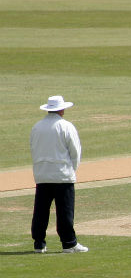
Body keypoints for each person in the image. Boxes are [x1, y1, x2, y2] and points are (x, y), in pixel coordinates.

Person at [30, 95, 88, 254]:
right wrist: (72, 170)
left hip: (42, 175)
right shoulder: (66, 126)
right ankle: (69, 243)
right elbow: (75, 152)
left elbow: (33, 149)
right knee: (65, 211)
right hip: (62, 175)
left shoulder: (37, 127)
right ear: (61, 109)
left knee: (41, 211)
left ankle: (39, 243)